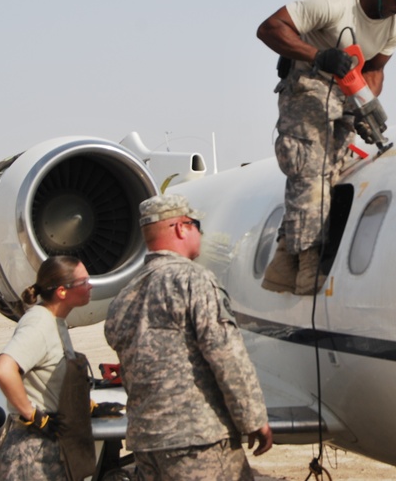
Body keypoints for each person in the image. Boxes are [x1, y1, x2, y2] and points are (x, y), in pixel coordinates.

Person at [257, 0, 396, 295]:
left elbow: (375, 70)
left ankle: (282, 260)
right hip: (307, 82)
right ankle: (308, 265)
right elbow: (269, 28)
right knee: (311, 163)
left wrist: (363, 107)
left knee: (337, 166)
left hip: (345, 88)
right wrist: (318, 55)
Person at [105, 193, 273, 481]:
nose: (200, 233)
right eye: (196, 225)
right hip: (197, 441)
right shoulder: (193, 280)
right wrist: (253, 418)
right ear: (181, 228)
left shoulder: (126, 295)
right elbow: (225, 354)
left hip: (147, 444)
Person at [0, 254, 96, 480]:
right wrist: (33, 415)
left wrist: (82, 405)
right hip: (32, 450)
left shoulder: (56, 322)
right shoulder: (39, 323)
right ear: (62, 291)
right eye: (84, 282)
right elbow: (4, 370)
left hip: (51, 444)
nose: (90, 286)